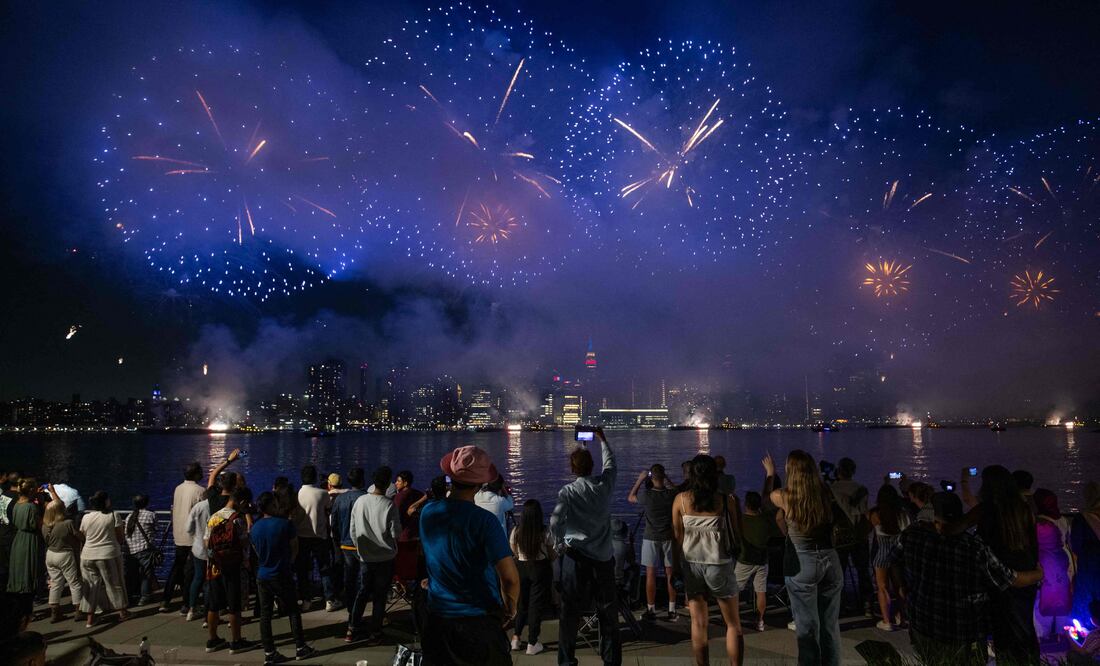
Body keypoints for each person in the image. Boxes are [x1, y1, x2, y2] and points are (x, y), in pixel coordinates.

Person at [901, 492, 1044, 665]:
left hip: (923, 624)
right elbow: (1011, 579)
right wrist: (1039, 573)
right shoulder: (973, 547)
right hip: (963, 633)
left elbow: (890, 557)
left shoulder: (913, 536)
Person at [420, 445, 520, 666]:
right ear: (481, 483)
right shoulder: (485, 522)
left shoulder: (427, 512)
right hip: (478, 622)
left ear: (450, 476)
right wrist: (510, 608)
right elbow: (510, 578)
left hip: (438, 620)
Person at [550, 427, 621, 666]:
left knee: (569, 614)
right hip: (603, 559)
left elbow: (556, 521)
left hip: (575, 558)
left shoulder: (568, 492)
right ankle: (611, 661)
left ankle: (567, 661)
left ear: (572, 469)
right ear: (591, 467)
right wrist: (603, 440)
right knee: (608, 614)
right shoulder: (604, 486)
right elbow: (611, 465)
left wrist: (559, 543)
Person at [768, 451, 842, 666]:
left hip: (802, 563)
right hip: (830, 559)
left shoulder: (784, 497)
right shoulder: (826, 492)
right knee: (830, 626)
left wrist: (771, 473)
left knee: (807, 627)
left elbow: (767, 497)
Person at [672, 455, 744, 666]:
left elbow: (677, 537)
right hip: (719, 563)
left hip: (692, 564)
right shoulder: (724, 499)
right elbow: (738, 534)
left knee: (699, 623)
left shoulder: (681, 500)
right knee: (733, 625)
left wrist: (676, 567)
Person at [970, 465, 1040, 663]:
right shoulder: (1023, 508)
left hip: (1002, 580)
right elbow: (1033, 542)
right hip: (1027, 575)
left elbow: (983, 547)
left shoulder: (989, 512)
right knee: (1025, 628)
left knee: (1005, 633)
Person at [251, 491, 316, 664]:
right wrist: (289, 562)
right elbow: (294, 547)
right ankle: (300, 647)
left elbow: (256, 551)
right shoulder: (285, 524)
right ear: (272, 505)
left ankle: (269, 652)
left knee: (266, 615)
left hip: (263, 574)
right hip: (281, 573)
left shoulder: (255, 527)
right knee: (293, 611)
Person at [347, 466, 399, 643]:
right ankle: (375, 632)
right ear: (387, 483)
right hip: (385, 557)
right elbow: (396, 533)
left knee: (362, 592)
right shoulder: (389, 504)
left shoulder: (360, 501)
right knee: (379, 596)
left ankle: (352, 628)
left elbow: (352, 530)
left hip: (365, 556)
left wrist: (359, 548)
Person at [204, 487, 256, 654]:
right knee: (234, 606)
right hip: (233, 567)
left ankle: (212, 639)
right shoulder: (237, 520)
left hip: (214, 566)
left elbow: (207, 543)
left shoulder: (214, 517)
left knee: (213, 605)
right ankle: (236, 641)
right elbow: (244, 544)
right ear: (240, 502)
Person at [627, 464, 678, 621]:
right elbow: (677, 489)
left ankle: (651, 609)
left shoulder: (647, 495)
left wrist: (640, 480)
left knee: (651, 574)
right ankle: (672, 609)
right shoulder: (671, 494)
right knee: (670, 575)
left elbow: (630, 497)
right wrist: (667, 478)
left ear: (651, 477)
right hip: (668, 537)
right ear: (663, 477)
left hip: (650, 537)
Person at [509, 499, 555, 656]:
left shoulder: (516, 531)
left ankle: (515, 638)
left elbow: (513, 550)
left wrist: (520, 557)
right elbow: (552, 555)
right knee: (535, 607)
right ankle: (532, 642)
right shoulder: (544, 531)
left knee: (522, 604)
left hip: (521, 567)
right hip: (539, 569)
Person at [828, 457, 872, 613]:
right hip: (860, 535)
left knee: (839, 572)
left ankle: (839, 604)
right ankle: (867, 604)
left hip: (840, 537)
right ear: (853, 471)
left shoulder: (832, 489)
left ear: (839, 471)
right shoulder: (862, 489)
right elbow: (864, 513)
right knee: (863, 571)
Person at [80, 491, 130, 626]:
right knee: (114, 583)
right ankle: (122, 612)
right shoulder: (113, 516)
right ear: (106, 502)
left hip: (87, 555)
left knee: (91, 586)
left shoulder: (86, 517)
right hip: (108, 554)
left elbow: (83, 534)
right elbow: (120, 538)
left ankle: (90, 618)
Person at [162, 461, 206, 613]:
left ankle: (165, 600)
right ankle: (186, 603)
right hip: (193, 536)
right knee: (190, 571)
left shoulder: (178, 489)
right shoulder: (200, 491)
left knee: (177, 567)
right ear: (196, 474)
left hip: (178, 533)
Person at [1033, 488, 1074, 641]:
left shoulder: (1038, 522)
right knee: (1062, 598)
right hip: (1064, 561)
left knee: (1041, 600)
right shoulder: (1063, 519)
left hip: (1045, 562)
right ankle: (1063, 636)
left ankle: (1043, 637)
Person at [295, 465, 337, 612]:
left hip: (302, 536)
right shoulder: (323, 494)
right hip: (320, 536)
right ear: (314, 477)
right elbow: (328, 510)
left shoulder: (297, 494)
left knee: (303, 569)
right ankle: (329, 599)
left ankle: (306, 599)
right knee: (324, 567)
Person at [869, 483, 909, 631]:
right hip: (898, 553)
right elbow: (907, 531)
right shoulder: (902, 513)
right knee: (899, 587)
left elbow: (870, 530)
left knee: (882, 588)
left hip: (882, 553)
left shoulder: (875, 514)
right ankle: (902, 618)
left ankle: (886, 621)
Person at [737, 490, 776, 632]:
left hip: (745, 559)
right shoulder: (765, 520)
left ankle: (734, 619)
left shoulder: (741, 520)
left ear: (746, 504)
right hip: (762, 560)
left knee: (734, 590)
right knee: (761, 591)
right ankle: (760, 621)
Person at [42, 486, 83, 622]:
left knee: (55, 583)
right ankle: (78, 610)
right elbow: (78, 536)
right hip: (64, 554)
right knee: (74, 582)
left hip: (50, 554)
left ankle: (55, 612)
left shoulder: (45, 524)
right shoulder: (67, 523)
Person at [6, 480, 43, 616]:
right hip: (30, 539)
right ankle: (28, 608)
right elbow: (38, 525)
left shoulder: (16, 505)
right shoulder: (31, 507)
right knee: (30, 569)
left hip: (19, 538)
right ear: (32, 490)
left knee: (20, 569)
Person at [184, 486, 216, 622]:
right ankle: (209, 613)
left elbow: (188, 528)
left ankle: (191, 608)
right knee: (210, 582)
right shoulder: (217, 507)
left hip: (197, 548)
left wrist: (196, 535)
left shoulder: (198, 507)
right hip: (212, 549)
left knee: (197, 578)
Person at [1071, 481, 1100, 624]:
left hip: (1090, 565)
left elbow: (1076, 545)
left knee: (1088, 602)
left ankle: (1089, 640)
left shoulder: (1082, 519)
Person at [123, 494, 158, 606]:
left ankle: (130, 596)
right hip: (144, 549)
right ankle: (144, 597)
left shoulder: (129, 517)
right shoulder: (150, 515)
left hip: (131, 550)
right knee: (146, 574)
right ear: (146, 503)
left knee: (132, 574)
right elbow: (155, 529)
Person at [393, 471, 424, 544]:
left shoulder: (399, 497)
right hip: (416, 533)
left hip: (403, 535)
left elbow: (396, 517)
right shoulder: (418, 493)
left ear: (405, 483)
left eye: (398, 481)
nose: (395, 483)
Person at [1067, 599, 1100, 664]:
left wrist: (1069, 636)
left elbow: (1082, 652)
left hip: (1093, 661)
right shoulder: (1094, 633)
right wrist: (1087, 633)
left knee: (1072, 655)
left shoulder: (1097, 637)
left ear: (1094, 619)